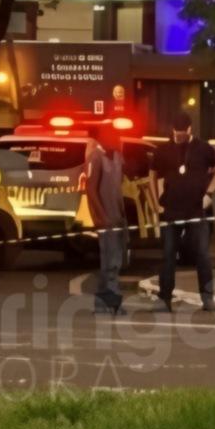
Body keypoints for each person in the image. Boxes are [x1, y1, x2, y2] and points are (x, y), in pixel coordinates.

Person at [150, 110, 215, 311]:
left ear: (189, 129)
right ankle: (164, 299)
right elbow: (152, 174)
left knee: (202, 254)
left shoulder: (203, 149)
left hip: (196, 209)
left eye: (182, 134)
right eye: (176, 134)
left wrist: (209, 193)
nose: (179, 137)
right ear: (172, 130)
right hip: (172, 209)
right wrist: (155, 204)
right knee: (168, 255)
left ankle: (208, 299)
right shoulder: (164, 150)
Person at [84, 124, 128, 315]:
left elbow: (120, 186)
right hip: (106, 218)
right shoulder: (96, 157)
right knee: (109, 261)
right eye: (113, 135)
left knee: (116, 260)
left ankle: (102, 301)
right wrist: (100, 216)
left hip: (119, 218)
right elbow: (91, 189)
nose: (117, 138)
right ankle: (112, 300)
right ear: (103, 138)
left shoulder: (118, 157)